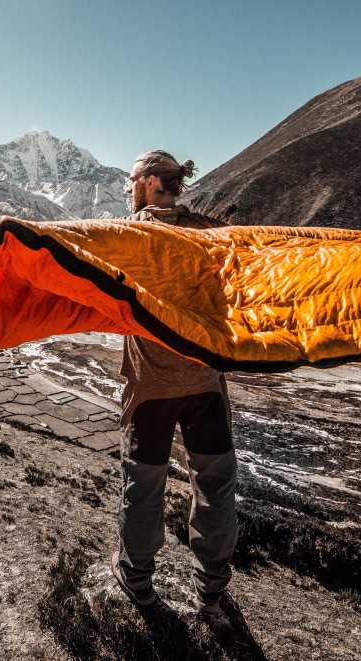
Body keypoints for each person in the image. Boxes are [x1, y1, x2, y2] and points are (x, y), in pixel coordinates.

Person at [110, 149, 237, 619]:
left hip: (150, 390)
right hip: (205, 383)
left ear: (146, 182)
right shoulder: (211, 234)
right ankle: (212, 587)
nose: (128, 188)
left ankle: (138, 580)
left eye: (130, 180)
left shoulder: (127, 237)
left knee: (144, 486)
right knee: (216, 484)